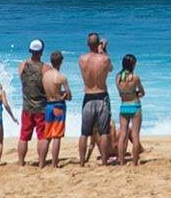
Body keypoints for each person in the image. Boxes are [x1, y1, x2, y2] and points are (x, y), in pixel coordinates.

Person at [78, 32, 114, 166]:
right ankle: (104, 161)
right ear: (98, 43)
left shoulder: (82, 59)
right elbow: (110, 69)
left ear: (88, 44)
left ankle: (82, 162)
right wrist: (104, 50)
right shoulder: (104, 59)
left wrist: (99, 50)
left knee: (84, 133)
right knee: (104, 132)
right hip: (101, 95)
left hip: (88, 96)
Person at [17, 38, 50, 167]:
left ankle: (21, 162)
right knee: (42, 137)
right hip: (41, 107)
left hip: (26, 106)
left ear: (30, 51)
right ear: (41, 51)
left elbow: (23, 79)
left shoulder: (22, 65)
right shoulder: (45, 68)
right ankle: (41, 163)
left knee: (23, 136)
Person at [42, 50, 72, 168]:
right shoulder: (61, 77)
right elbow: (69, 95)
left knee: (47, 135)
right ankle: (54, 164)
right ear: (61, 62)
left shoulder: (45, 75)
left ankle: (42, 163)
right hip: (58, 105)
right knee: (57, 136)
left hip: (48, 105)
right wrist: (64, 95)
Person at [116, 54, 145, 165]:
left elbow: (120, 94)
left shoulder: (118, 78)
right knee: (135, 135)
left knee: (123, 135)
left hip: (124, 106)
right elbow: (142, 92)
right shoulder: (135, 77)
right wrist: (136, 94)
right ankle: (134, 162)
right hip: (135, 105)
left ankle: (122, 162)